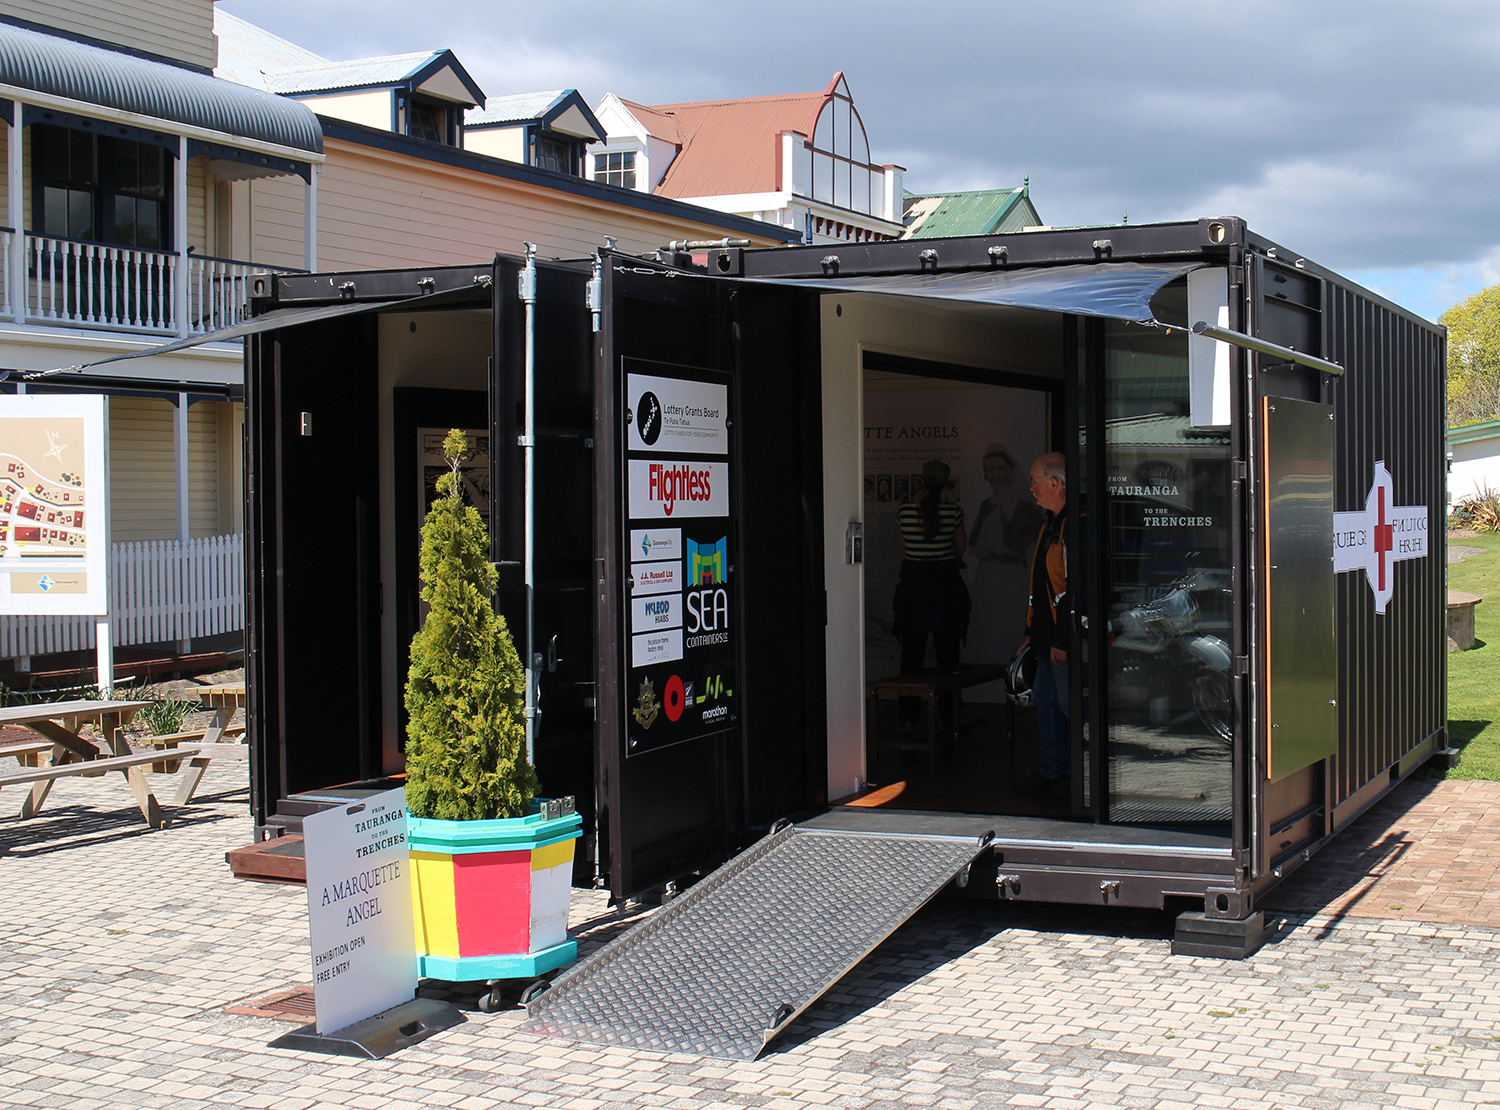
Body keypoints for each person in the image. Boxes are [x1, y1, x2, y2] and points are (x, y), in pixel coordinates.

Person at [892, 459, 971, 734]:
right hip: (945, 588)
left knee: (911, 655)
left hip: (914, 589)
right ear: (946, 484)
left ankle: (907, 718)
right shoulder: (953, 511)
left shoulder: (904, 511)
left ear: (921, 481)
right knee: (947, 657)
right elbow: (961, 548)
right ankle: (949, 719)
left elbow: (905, 552)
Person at [1017, 452, 1070, 796]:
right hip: (1045, 636)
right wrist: (1031, 632)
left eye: (1035, 480)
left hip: (1063, 638)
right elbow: (1041, 586)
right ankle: (1054, 772)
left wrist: (1062, 640)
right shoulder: (1049, 523)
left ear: (1054, 482)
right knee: (1047, 703)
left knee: (1067, 706)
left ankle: (1077, 778)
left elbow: (1076, 590)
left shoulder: (1074, 523)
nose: (1031, 487)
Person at [966, 442, 1044, 665]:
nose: (996, 475)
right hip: (986, 583)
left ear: (1011, 469)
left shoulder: (1024, 507)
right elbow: (973, 545)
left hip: (1011, 583)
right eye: (991, 470)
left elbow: (1031, 552)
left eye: (1001, 468)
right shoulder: (986, 505)